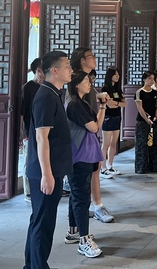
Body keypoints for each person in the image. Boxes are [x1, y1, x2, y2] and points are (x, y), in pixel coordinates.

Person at [24, 51, 73, 269]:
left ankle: (31, 265)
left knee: (40, 220)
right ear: (54, 70)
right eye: (67, 66)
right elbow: (41, 138)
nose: (71, 70)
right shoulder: (45, 96)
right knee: (43, 224)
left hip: (52, 169)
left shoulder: (53, 93)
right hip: (45, 171)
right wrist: (47, 174)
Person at [70, 47, 114, 223]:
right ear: (82, 60)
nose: (94, 59)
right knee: (87, 174)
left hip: (90, 133)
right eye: (91, 56)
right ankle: (95, 207)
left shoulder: (87, 81)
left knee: (94, 170)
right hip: (80, 137)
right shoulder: (76, 82)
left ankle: (89, 208)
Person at [64, 71, 106, 258]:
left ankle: (74, 231)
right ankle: (83, 240)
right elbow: (94, 127)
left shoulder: (82, 103)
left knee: (77, 194)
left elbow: (97, 124)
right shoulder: (74, 105)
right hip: (79, 155)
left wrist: (103, 106)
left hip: (86, 154)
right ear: (76, 85)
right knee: (81, 198)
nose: (89, 84)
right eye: (86, 81)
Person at [20, 58, 44, 203]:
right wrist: (22, 133)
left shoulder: (46, 87)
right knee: (29, 160)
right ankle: (28, 191)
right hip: (30, 130)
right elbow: (22, 112)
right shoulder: (28, 88)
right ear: (38, 70)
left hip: (43, 130)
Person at [100, 67, 126, 177]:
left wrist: (116, 103)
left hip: (117, 117)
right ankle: (103, 168)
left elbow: (124, 104)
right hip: (108, 117)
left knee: (113, 143)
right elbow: (109, 105)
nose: (117, 76)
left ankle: (110, 165)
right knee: (106, 143)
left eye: (118, 74)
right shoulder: (105, 89)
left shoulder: (118, 89)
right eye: (115, 74)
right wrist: (117, 103)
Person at [134, 71, 157, 174]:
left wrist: (155, 117)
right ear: (144, 79)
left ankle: (154, 166)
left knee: (154, 143)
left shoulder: (155, 92)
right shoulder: (139, 92)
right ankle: (141, 167)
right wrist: (146, 119)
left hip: (154, 121)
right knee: (142, 145)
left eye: (153, 78)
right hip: (142, 121)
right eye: (149, 78)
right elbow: (140, 108)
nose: (151, 80)